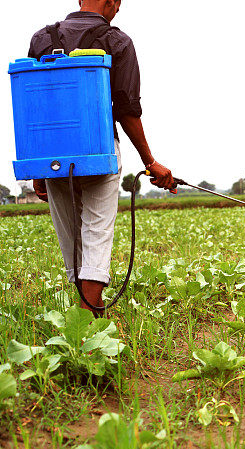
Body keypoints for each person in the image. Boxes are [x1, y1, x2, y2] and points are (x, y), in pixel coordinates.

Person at [27, 0, 175, 315]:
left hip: (53, 156)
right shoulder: (117, 41)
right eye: (118, 4)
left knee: (72, 238)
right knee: (96, 232)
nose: (117, 10)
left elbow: (35, 108)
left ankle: (81, 324)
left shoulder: (42, 39)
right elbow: (126, 109)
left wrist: (39, 170)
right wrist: (150, 162)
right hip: (100, 151)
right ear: (111, 2)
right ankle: (88, 323)